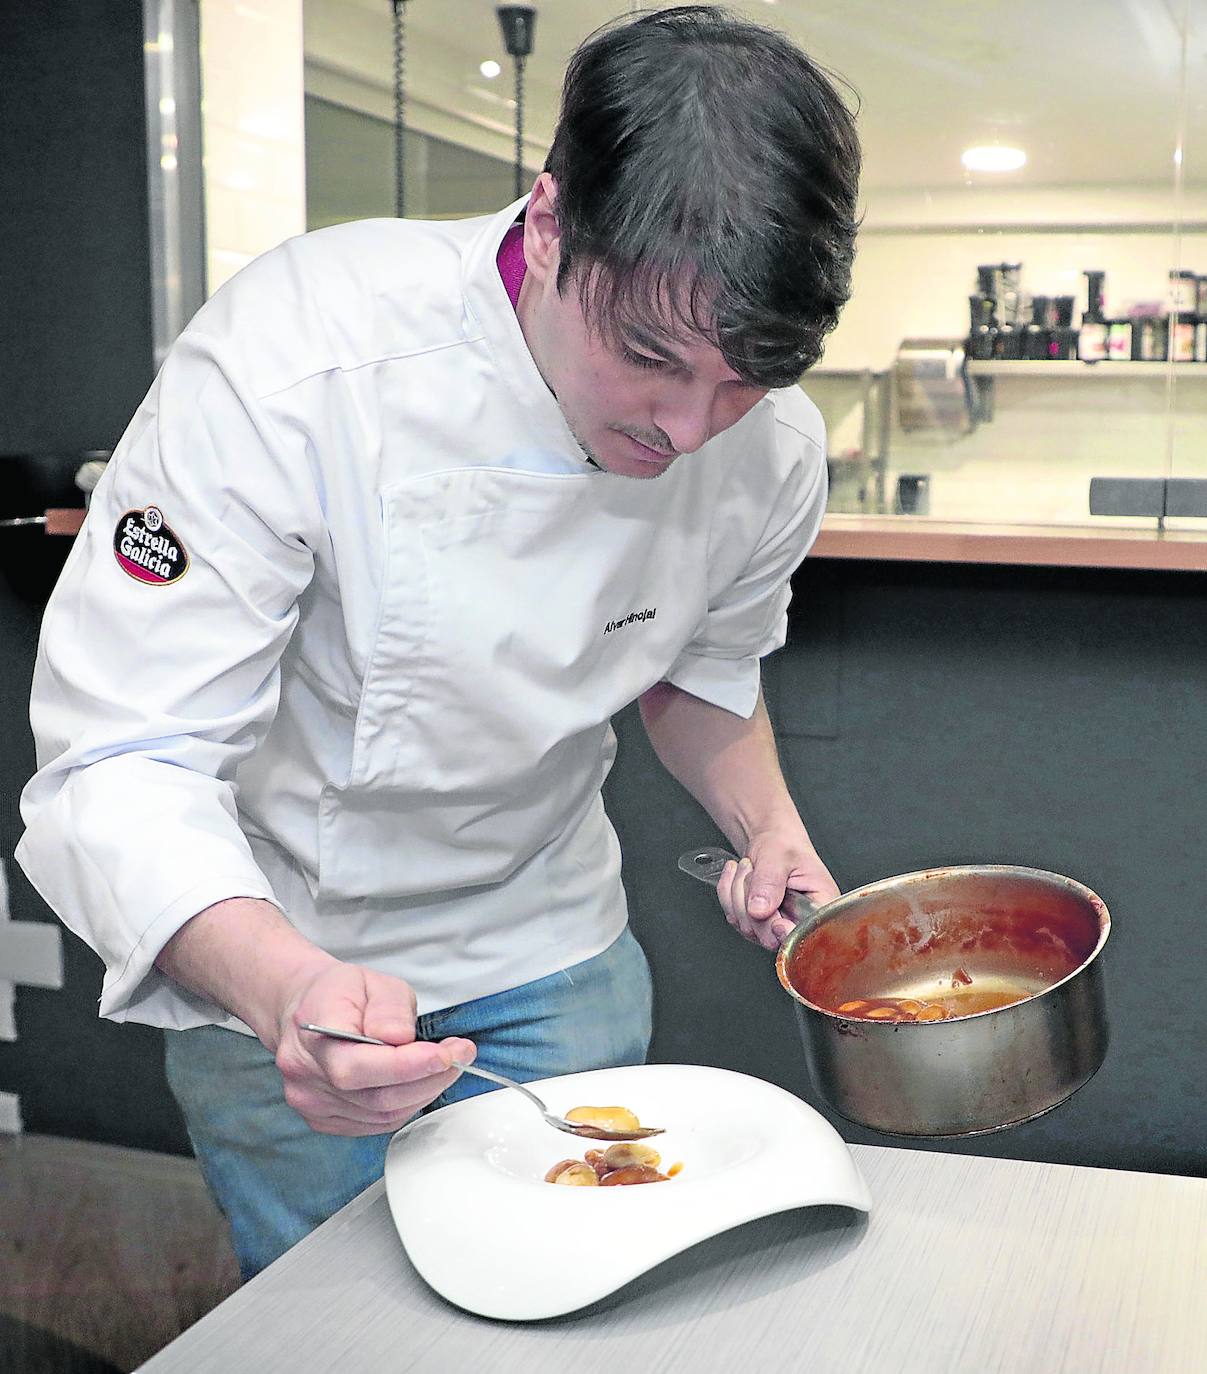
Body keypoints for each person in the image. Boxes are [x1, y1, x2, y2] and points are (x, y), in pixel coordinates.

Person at [17, 4, 861, 1278]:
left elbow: (701, 670)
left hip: (558, 951)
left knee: (580, 1304)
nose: (691, 430)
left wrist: (768, 830)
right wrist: (286, 991)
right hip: (294, 963)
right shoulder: (301, 358)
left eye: (743, 379)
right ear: (550, 216)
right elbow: (124, 758)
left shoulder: (774, 447)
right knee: (336, 1332)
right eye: (649, 357)